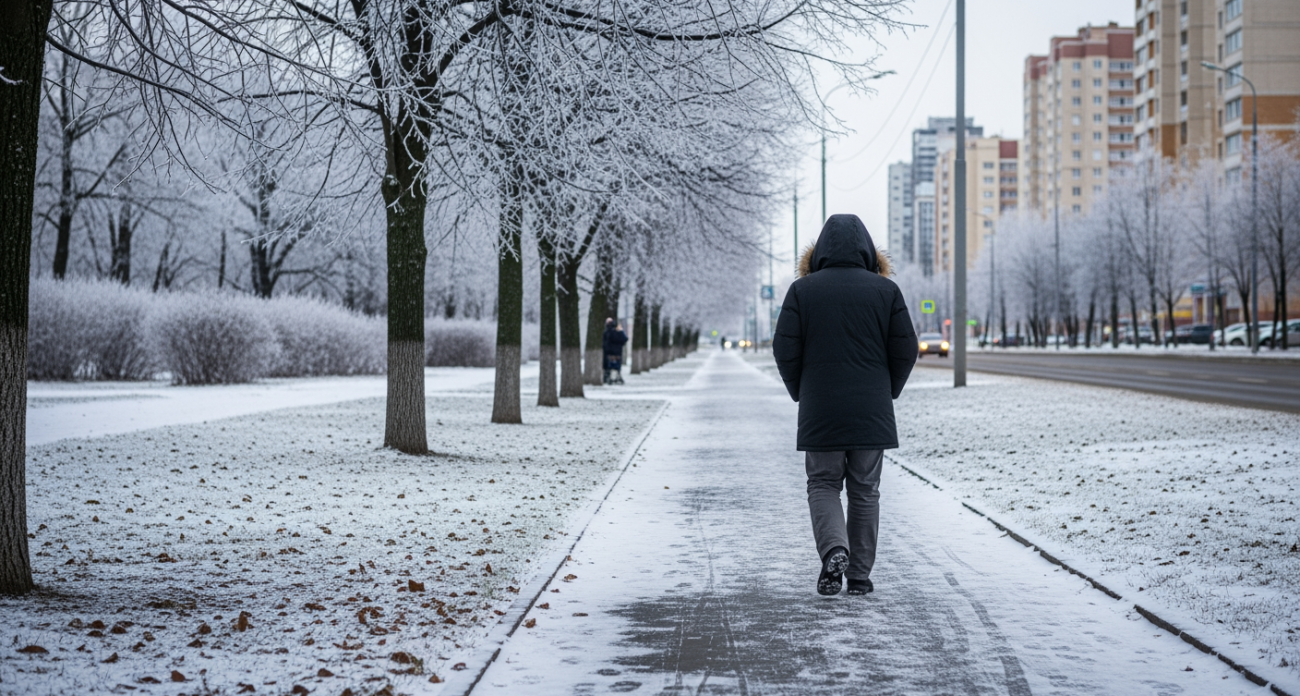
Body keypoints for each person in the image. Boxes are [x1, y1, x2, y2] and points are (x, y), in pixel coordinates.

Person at [772, 214, 918, 596]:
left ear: (819, 251)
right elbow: (907, 349)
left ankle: (835, 548)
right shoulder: (886, 291)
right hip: (872, 409)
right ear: (868, 250)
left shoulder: (802, 291)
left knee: (822, 483)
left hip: (821, 407)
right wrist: (888, 391)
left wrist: (800, 390)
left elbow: (784, 348)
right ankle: (859, 576)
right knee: (865, 489)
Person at [602, 318, 628, 385]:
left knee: (610, 367)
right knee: (614, 367)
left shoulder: (608, 332)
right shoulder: (617, 332)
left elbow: (605, 343)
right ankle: (613, 377)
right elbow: (624, 339)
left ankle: (609, 378)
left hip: (610, 353)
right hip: (615, 352)